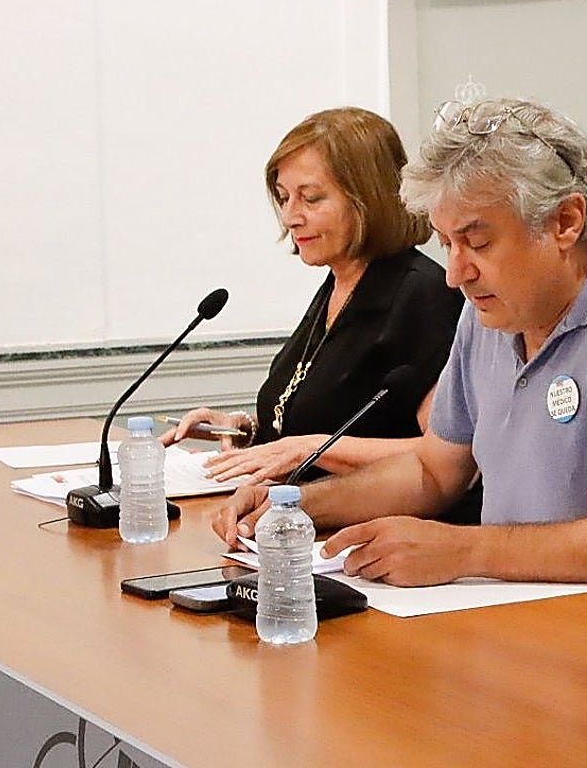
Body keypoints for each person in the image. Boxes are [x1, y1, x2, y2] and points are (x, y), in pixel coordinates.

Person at [212, 97, 587, 609]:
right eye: (447, 244)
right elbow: (434, 470)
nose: (455, 273)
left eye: (478, 242)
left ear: (565, 221)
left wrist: (466, 550)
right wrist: (297, 505)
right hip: (538, 617)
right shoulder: (489, 312)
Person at [164, 107, 473, 523]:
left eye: (310, 198)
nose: (291, 216)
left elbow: (447, 458)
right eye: (284, 198)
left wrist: (311, 448)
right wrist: (246, 431)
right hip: (297, 524)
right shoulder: (339, 282)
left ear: (368, 199)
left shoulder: (422, 294)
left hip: (380, 534)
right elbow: (324, 412)